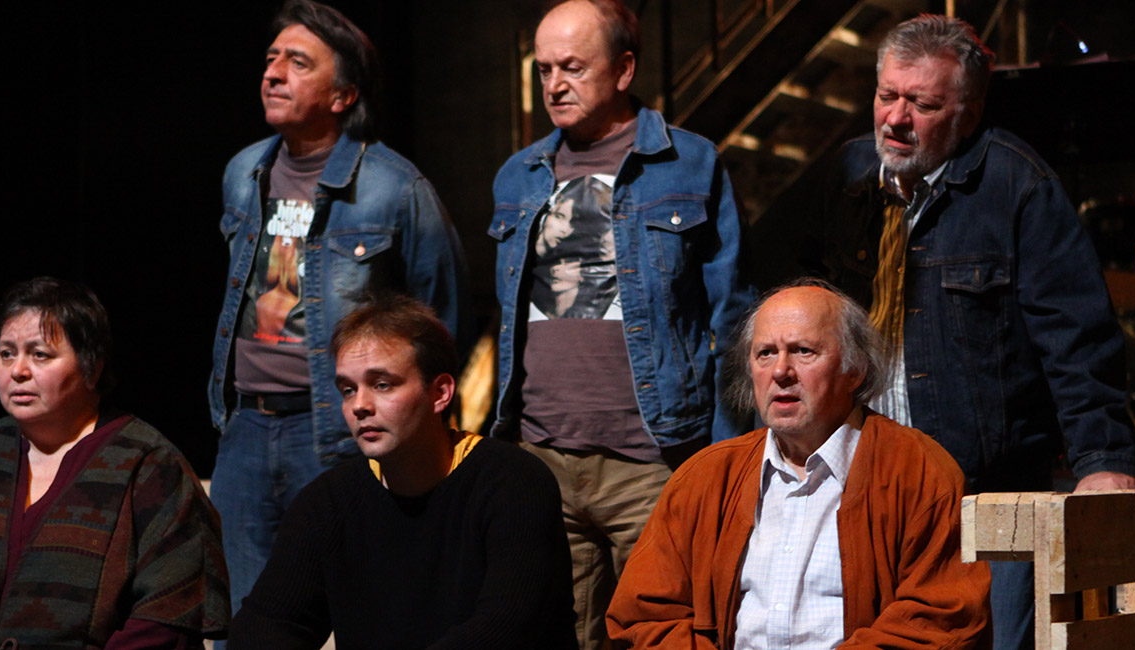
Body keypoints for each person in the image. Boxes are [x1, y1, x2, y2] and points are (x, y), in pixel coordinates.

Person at [794, 15, 1135, 650]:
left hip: (988, 496)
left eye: (923, 104)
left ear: (970, 112)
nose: (896, 119)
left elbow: (1076, 337)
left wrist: (1102, 461)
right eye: (887, 96)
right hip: (867, 490)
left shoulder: (1016, 184)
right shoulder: (845, 178)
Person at [487, 1, 753, 646]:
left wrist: (723, 457)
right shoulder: (518, 175)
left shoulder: (689, 164)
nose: (554, 84)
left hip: (652, 461)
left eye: (573, 67)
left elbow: (735, 319)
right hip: (542, 458)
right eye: (544, 69)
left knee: (665, 634)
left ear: (624, 69)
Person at [208, 0, 467, 616]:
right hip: (246, 428)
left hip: (337, 431)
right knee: (241, 615)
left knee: (363, 611)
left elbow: (441, 319)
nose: (273, 73)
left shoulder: (394, 186)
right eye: (272, 58)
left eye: (298, 63)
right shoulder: (244, 171)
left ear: (343, 95)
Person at [606, 281, 990, 649]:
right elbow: (648, 614)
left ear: (855, 369)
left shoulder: (919, 472)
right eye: (765, 353)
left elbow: (940, 617)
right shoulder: (705, 478)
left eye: (803, 351)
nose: (780, 371)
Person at [0, 277, 228, 650]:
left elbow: (167, 615)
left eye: (39, 354)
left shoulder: (151, 469)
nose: (18, 370)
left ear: (92, 366)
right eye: (7, 353)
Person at [230, 294, 576, 649]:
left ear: (440, 393)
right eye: (348, 390)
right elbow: (264, 626)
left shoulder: (513, 482)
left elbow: (505, 626)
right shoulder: (328, 502)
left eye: (382, 384)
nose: (360, 406)